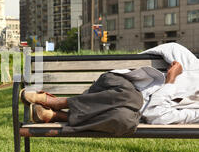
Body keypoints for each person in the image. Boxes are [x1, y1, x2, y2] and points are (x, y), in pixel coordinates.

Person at [20, 43, 199, 136]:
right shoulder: (191, 64)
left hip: (130, 111)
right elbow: (168, 49)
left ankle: (58, 116)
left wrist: (170, 81)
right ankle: (56, 102)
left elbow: (157, 116)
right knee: (133, 98)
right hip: (116, 85)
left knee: (125, 121)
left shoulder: (196, 112)